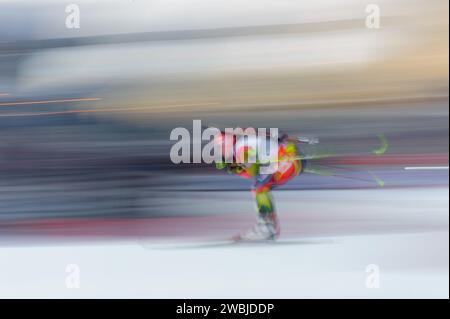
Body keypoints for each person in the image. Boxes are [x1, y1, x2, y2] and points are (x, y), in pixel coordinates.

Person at [214, 131, 317, 241]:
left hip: (287, 157)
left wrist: (236, 168)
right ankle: (267, 226)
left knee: (260, 189)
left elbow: (252, 170)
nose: (220, 151)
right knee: (260, 188)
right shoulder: (242, 144)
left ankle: (266, 227)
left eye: (221, 147)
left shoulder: (240, 148)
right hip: (288, 155)